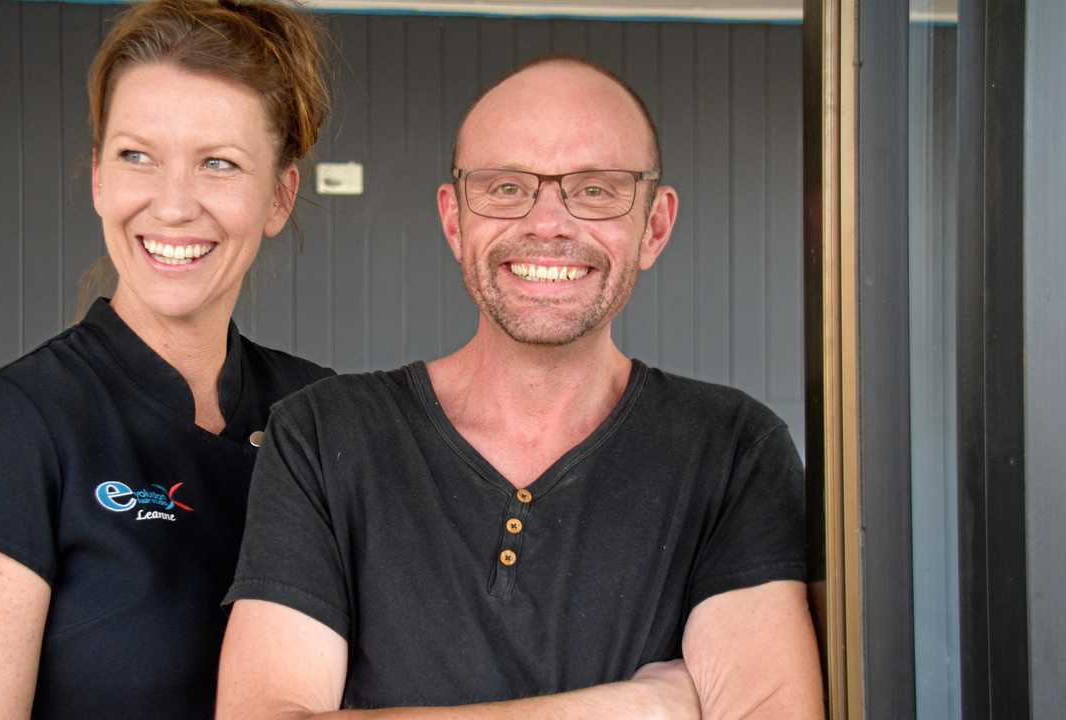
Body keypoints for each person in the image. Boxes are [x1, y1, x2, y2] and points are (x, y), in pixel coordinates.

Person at [217, 57, 824, 719]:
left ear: (654, 225)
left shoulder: (733, 450)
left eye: (596, 189)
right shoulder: (323, 434)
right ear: (454, 221)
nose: (547, 223)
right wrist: (634, 708)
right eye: (506, 187)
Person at [0, 1, 332, 717]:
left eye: (218, 164)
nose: (172, 206)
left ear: (279, 195)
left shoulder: (319, 414)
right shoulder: (13, 425)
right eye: (137, 157)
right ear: (99, 177)